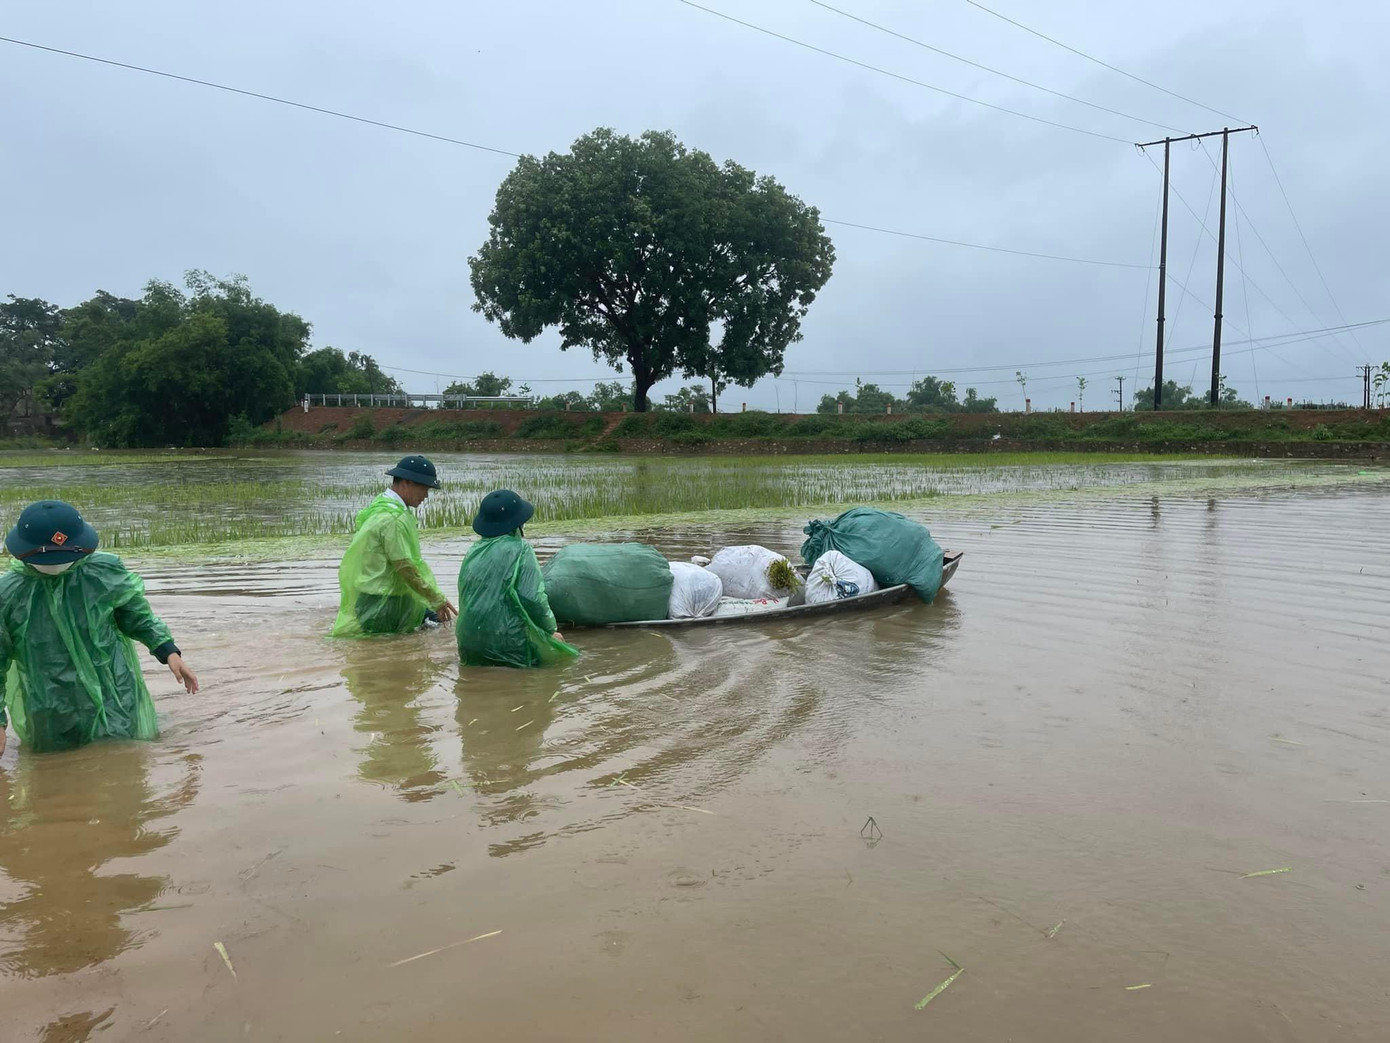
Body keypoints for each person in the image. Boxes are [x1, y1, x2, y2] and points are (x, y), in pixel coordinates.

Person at [0, 500, 199, 756]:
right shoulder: (9, 594)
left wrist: (168, 651)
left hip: (114, 689)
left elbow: (135, 615)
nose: (58, 564)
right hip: (50, 700)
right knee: (57, 768)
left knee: (125, 760)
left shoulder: (102, 572)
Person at [333, 455, 458, 637]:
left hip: (373, 599)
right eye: (424, 488)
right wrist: (435, 598)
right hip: (384, 605)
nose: (426, 495)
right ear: (407, 483)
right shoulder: (394, 519)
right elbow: (405, 567)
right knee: (391, 659)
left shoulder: (381, 506)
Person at [456, 489, 578, 668]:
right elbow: (532, 598)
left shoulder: (473, 552)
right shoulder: (521, 550)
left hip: (468, 644)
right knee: (562, 664)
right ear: (516, 524)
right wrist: (550, 631)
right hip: (508, 643)